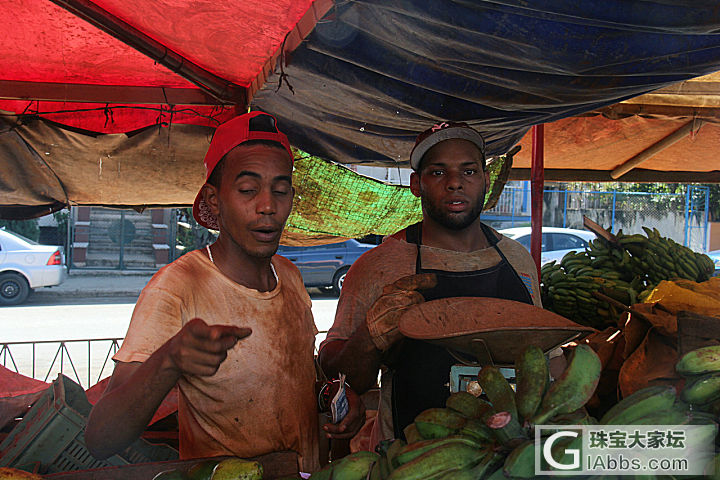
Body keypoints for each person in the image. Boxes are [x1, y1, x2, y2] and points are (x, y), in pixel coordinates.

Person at [85, 111, 321, 472]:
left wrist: (330, 393)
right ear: (214, 200)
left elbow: (298, 376)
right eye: (247, 190)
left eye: (281, 190)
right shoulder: (178, 287)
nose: (268, 206)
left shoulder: (289, 275)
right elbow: (101, 438)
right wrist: (170, 359)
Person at [319, 121, 562, 448]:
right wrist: (368, 338)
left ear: (487, 181)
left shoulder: (518, 260)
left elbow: (547, 356)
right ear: (416, 184)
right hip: (412, 458)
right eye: (438, 172)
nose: (454, 183)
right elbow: (338, 374)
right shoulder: (378, 266)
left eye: (469, 171)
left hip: (508, 454)